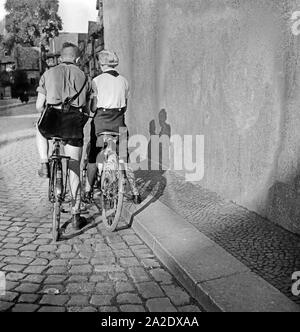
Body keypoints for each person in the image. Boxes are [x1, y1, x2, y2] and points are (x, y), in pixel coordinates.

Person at [36, 42, 92, 231]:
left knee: (39, 127)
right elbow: (87, 109)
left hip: (52, 118)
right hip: (73, 123)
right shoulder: (85, 77)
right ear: (77, 59)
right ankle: (76, 214)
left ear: (60, 58)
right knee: (74, 166)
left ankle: (44, 161)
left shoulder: (48, 74)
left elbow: (38, 106)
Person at [83, 50, 141, 205]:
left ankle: (88, 191)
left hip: (101, 122)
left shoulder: (96, 80)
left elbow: (93, 108)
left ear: (102, 64)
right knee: (124, 156)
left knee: (94, 156)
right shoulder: (124, 81)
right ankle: (135, 192)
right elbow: (125, 106)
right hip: (118, 122)